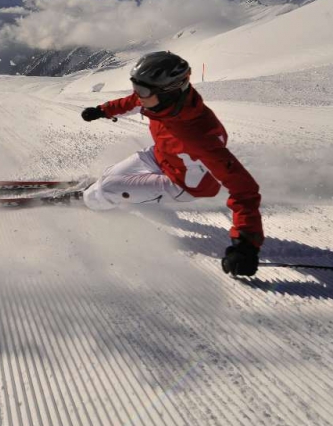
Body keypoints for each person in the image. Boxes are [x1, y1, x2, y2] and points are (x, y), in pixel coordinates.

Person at [80, 51, 263, 276]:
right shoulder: (159, 101)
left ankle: (90, 200)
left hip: (180, 183)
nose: (138, 95)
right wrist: (102, 111)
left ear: (170, 91)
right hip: (161, 156)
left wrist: (245, 246)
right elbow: (131, 102)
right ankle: (103, 190)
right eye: (135, 86)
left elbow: (244, 189)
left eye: (143, 90)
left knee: (107, 188)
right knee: (108, 176)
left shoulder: (199, 137)